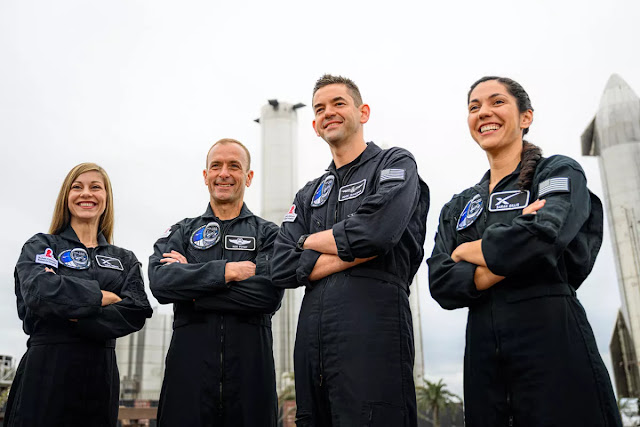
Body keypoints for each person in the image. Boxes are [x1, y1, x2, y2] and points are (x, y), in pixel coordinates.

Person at [428, 76, 622, 426]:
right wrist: (516, 243)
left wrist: (467, 250)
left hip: (553, 336)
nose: (483, 112)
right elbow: (441, 282)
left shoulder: (556, 172)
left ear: (525, 117)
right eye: (474, 107)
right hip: (483, 353)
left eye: (497, 102)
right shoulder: (460, 205)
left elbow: (545, 237)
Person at [271, 74, 430, 426]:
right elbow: (280, 265)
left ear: (363, 112)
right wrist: (353, 249)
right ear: (315, 126)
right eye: (320, 108)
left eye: (338, 103)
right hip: (312, 338)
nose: (328, 112)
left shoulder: (394, 163)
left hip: (374, 327)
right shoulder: (309, 193)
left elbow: (377, 232)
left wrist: (306, 241)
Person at [5, 163, 153, 427]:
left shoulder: (124, 259)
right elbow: (39, 292)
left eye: (96, 187)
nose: (86, 193)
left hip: (100, 378)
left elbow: (137, 310)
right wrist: (101, 296)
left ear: (106, 198)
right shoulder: (42, 245)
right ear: (66, 196)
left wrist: (71, 312)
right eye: (77, 187)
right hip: (45, 372)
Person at [149, 138, 283, 426]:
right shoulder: (182, 232)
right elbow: (160, 283)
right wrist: (227, 271)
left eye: (234, 166)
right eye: (216, 166)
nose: (224, 173)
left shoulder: (269, 234)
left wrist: (191, 288)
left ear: (248, 176)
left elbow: (267, 295)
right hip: (188, 380)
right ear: (205, 175)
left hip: (251, 381)